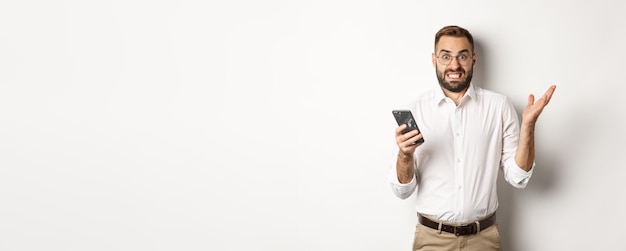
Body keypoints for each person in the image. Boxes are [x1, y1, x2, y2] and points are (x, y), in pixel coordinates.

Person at [388, 25, 556, 251]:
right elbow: (402, 190)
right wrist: (405, 154)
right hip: (431, 240)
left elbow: (518, 178)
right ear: (434, 59)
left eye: (462, 56)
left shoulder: (499, 106)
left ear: (473, 59)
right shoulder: (415, 110)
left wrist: (528, 126)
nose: (454, 65)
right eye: (446, 56)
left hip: (483, 239)